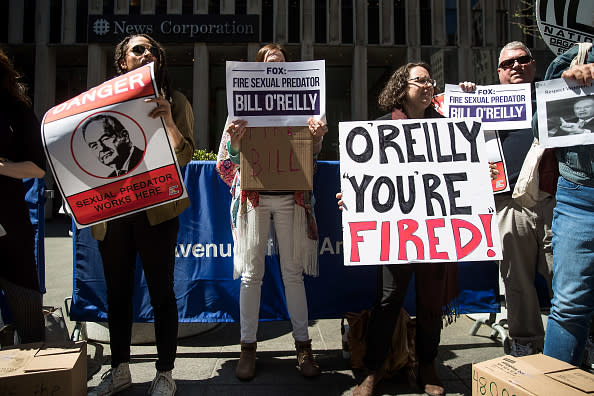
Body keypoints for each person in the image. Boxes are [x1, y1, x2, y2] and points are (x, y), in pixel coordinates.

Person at [338, 62, 458, 396]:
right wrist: (351, 197)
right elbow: (361, 179)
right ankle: (373, 369)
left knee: (431, 300)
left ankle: (428, 363)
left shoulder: (448, 129)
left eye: (431, 80)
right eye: (421, 81)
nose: (429, 85)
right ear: (401, 88)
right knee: (389, 298)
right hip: (396, 231)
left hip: (434, 228)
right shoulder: (379, 129)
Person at [88, 34, 195, 396]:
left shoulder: (175, 100)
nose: (146, 53)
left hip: (156, 213)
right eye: (138, 49)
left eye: (151, 49)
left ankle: (164, 373)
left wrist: (169, 121)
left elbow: (185, 155)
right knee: (117, 295)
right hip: (113, 214)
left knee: (161, 293)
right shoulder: (101, 104)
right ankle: (119, 370)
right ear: (122, 62)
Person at [216, 43, 327, 381]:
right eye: (267, 62)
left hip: (290, 198)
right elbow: (226, 161)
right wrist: (236, 142)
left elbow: (312, 157)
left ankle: (303, 346)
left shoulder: (307, 106)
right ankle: (247, 347)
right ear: (257, 69)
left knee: (293, 274)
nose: (273, 67)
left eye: (279, 62)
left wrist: (317, 137)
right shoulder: (240, 108)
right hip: (255, 198)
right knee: (251, 275)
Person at [461, 41, 554, 357]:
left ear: (533, 65)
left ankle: (581, 339)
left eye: (522, 59)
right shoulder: (482, 102)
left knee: (568, 274)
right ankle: (526, 341)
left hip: (555, 198)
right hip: (509, 201)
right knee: (516, 279)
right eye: (507, 63)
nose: (516, 66)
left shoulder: (551, 94)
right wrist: (466, 99)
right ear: (498, 72)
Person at [540, 43, 594, 366]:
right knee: (569, 306)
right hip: (578, 196)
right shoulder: (572, 59)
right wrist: (566, 93)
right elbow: (540, 130)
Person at [0, 48, 45, 345]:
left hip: (8, 222)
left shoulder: (15, 110)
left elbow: (38, 169)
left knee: (25, 302)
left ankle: (34, 369)